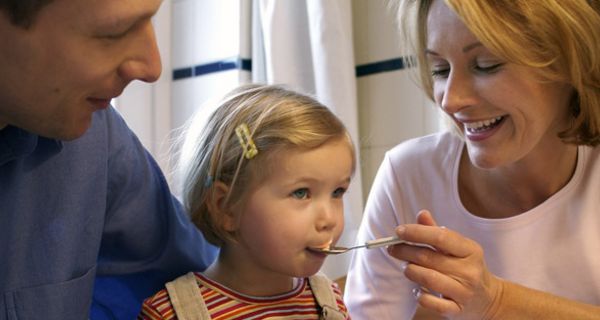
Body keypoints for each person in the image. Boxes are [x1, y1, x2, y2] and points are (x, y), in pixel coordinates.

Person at [344, 0, 600, 319]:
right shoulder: (408, 175)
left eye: (486, 64)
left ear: (569, 61)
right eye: (440, 69)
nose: (452, 100)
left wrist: (497, 301)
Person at [0, 0, 217, 319]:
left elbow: (214, 278)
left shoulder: (89, 137)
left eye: (150, 21)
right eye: (114, 32)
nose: (152, 66)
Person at [138, 84, 355, 320]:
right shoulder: (171, 314)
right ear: (226, 207)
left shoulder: (330, 301)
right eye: (301, 193)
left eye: (337, 192)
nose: (329, 219)